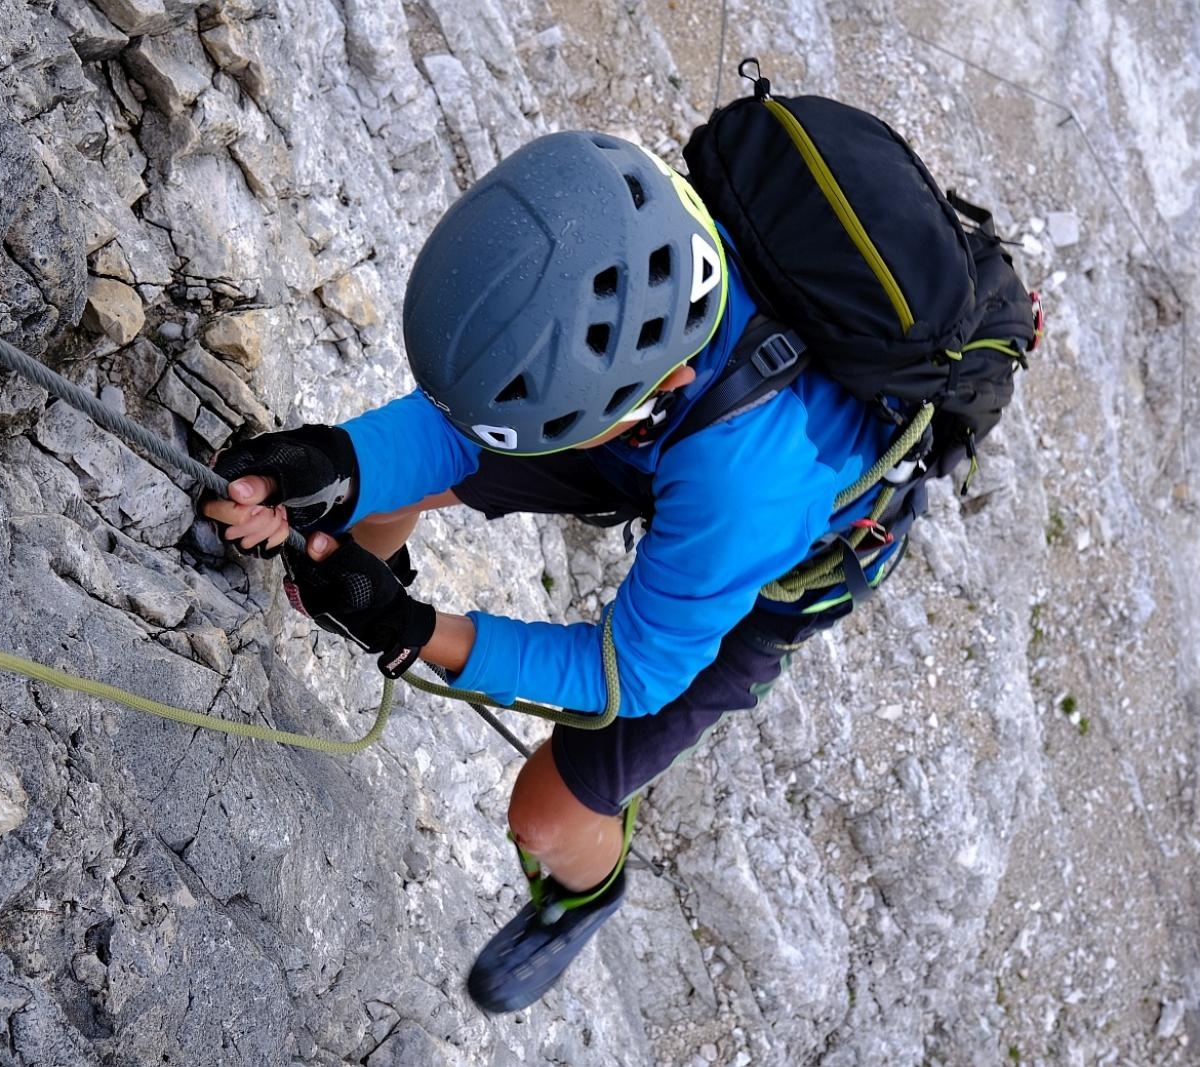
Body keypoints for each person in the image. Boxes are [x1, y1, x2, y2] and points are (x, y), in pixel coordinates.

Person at [201, 130, 905, 1013]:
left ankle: (585, 889)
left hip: (775, 556)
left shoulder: (743, 491)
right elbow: (471, 416)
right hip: (660, 429)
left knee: (548, 813)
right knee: (379, 491)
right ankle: (338, 574)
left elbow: (631, 672)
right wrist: (331, 461)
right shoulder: (610, 249)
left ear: (655, 388)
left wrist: (419, 633)